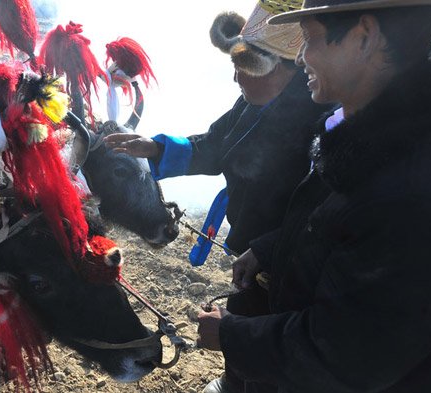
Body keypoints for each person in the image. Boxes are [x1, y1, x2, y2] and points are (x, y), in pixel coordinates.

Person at [196, 1, 431, 392]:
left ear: (364, 38)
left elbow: (346, 354)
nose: (299, 57)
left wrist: (231, 337)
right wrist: (269, 246)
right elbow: (332, 224)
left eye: (310, 38)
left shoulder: (415, 191)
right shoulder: (363, 133)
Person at [106, 2, 330, 391]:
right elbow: (216, 144)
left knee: (273, 338)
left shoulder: (323, 117)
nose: (234, 78)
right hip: (252, 250)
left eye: (243, 67)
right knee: (243, 316)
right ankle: (234, 381)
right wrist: (156, 150)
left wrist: (268, 247)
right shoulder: (253, 102)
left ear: (280, 67)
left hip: (296, 263)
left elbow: (327, 208)